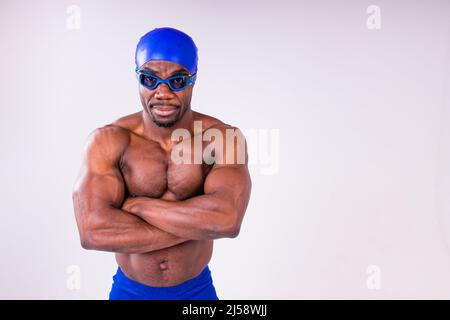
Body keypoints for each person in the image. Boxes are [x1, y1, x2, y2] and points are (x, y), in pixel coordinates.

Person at [72, 27, 252, 300]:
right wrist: (195, 223)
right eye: (150, 79)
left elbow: (226, 220)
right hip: (129, 292)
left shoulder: (222, 138)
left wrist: (138, 206)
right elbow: (93, 231)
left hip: (196, 293)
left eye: (177, 81)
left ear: (193, 80)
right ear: (138, 78)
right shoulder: (108, 140)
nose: (163, 92)